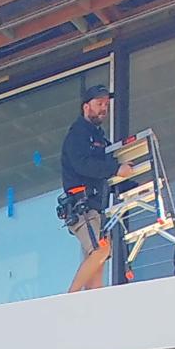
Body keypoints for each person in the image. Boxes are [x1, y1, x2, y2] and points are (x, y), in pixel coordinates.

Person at [59, 83, 135, 294]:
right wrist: (116, 169)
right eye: (99, 103)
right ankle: (70, 297)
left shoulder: (99, 139)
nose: (104, 108)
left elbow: (105, 170)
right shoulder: (78, 135)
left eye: (106, 105)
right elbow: (83, 165)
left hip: (96, 207)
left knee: (98, 260)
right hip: (82, 206)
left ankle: (92, 303)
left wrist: (131, 182)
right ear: (86, 107)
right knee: (101, 250)